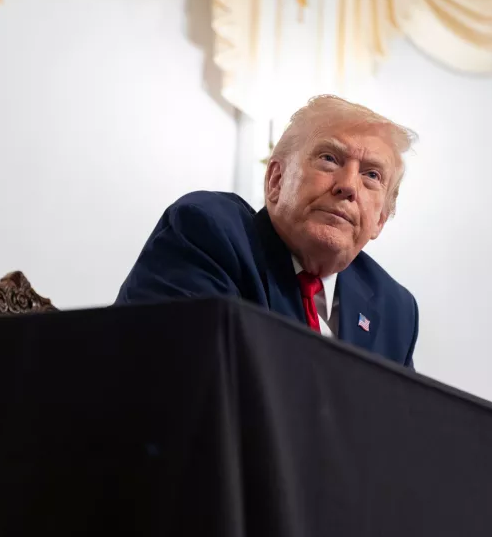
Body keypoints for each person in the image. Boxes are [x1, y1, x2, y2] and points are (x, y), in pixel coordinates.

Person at [115, 95, 419, 369]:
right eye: (329, 158)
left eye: (372, 175)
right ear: (276, 180)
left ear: (380, 219)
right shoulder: (209, 232)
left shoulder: (394, 309)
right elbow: (180, 382)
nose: (349, 186)